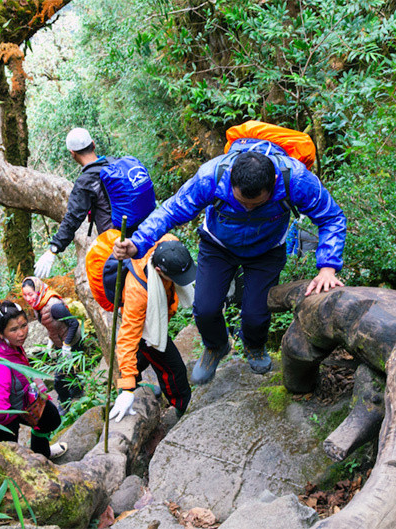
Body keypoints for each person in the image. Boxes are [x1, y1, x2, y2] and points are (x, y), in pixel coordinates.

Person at [114, 147, 346, 384]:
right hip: (218, 246)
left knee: (256, 314)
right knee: (205, 308)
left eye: (255, 204)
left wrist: (327, 266)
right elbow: (172, 210)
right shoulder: (211, 176)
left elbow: (331, 217)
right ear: (232, 175)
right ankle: (216, 346)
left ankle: (254, 346)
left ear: (274, 182)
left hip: (266, 250)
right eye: (242, 201)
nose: (247, 208)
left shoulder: (295, 180)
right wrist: (138, 243)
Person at [35, 127, 149, 278]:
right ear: (93, 145)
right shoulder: (115, 163)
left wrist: (53, 250)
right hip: (143, 233)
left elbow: (73, 218)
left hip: (117, 244)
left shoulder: (86, 181)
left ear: (72, 153)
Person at [109, 235, 195, 422]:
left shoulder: (168, 243)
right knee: (174, 368)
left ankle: (132, 384)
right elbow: (127, 338)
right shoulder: (137, 292)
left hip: (154, 318)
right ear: (158, 270)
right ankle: (183, 407)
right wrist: (127, 388)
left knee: (142, 356)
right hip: (145, 327)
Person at [0, 300, 67, 459]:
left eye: (24, 325)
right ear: (1, 332)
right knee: (9, 461)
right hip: (0, 423)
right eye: (14, 329)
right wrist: (17, 414)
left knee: (50, 418)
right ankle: (35, 463)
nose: (22, 333)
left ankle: (41, 454)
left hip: (16, 399)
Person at [21, 277, 83, 413]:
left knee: (59, 380)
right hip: (59, 341)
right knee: (69, 372)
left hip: (71, 341)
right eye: (25, 295)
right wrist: (50, 341)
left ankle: (64, 404)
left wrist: (67, 345)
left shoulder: (54, 306)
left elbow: (74, 323)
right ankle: (78, 391)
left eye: (30, 294)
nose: (28, 298)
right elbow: (52, 326)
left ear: (38, 291)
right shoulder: (38, 305)